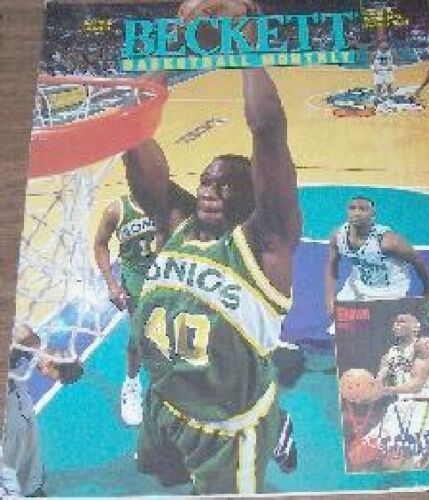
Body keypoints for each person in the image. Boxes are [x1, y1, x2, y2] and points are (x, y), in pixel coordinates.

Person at [130, 14, 301, 492]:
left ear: (253, 195)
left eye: (227, 185)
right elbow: (132, 134)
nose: (210, 190)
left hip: (226, 430)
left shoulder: (265, 243)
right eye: (206, 181)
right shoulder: (176, 222)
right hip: (164, 400)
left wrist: (246, 48)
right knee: (161, 474)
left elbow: (268, 128)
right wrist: (169, 45)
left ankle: (275, 425)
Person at [94, 146, 195, 426]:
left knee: (179, 335)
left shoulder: (173, 204)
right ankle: (131, 383)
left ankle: (180, 386)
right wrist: (111, 284)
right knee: (139, 339)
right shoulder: (117, 210)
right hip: (138, 284)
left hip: (171, 281)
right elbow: (100, 244)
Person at [3, 324, 83, 497]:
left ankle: (30, 486)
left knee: (26, 429)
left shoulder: (31, 344)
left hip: (13, 386)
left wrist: (36, 350)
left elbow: (22, 330)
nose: (45, 373)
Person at [325, 196, 429, 323]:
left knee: (382, 331)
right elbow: (332, 265)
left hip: (389, 290)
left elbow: (418, 262)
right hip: (357, 284)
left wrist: (428, 291)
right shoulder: (338, 236)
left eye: (363, 209)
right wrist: (330, 298)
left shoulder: (389, 242)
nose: (356, 213)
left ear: (373, 215)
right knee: (340, 326)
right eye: (352, 208)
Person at [365, 314, 429, 469]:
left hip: (428, 402)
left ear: (416, 327)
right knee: (368, 449)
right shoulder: (390, 355)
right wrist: (365, 390)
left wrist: (385, 390)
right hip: (400, 406)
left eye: (402, 321)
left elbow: (416, 385)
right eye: (395, 322)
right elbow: (377, 384)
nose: (396, 324)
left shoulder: (425, 345)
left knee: (420, 460)